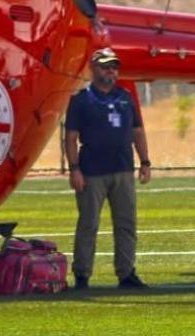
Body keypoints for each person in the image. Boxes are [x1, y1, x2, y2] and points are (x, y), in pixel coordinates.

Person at [64, 47, 151, 291]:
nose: (111, 71)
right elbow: (70, 137)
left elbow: (137, 131)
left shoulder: (125, 97)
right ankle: (82, 274)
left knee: (126, 223)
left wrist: (145, 162)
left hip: (123, 169)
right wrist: (74, 169)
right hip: (92, 172)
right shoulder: (81, 100)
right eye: (105, 66)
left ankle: (126, 272)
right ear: (93, 68)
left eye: (114, 66)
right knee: (89, 224)